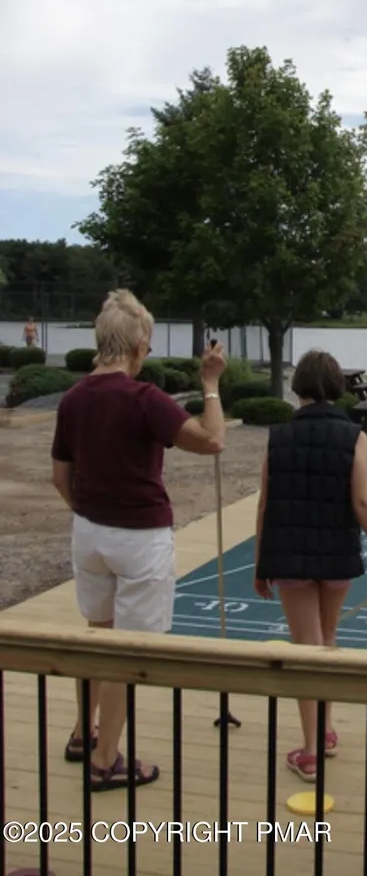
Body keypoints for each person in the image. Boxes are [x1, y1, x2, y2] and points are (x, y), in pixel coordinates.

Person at [50, 289, 227, 792]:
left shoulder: (73, 398)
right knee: (128, 651)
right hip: (140, 537)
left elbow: (60, 477)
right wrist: (210, 385)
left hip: (90, 531)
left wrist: (89, 513)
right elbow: (212, 440)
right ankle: (106, 760)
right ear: (136, 346)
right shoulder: (143, 398)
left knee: (98, 634)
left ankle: (84, 733)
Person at [253, 349, 367, 783]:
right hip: (337, 552)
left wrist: (260, 563)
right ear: (337, 387)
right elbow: (362, 504)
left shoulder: (278, 436)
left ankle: (309, 752)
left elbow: (266, 503)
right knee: (326, 641)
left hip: (290, 553)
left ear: (298, 387)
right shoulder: (354, 437)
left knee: (305, 649)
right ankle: (324, 732)